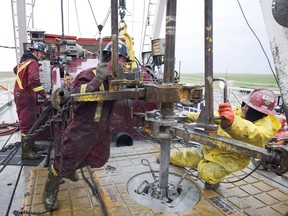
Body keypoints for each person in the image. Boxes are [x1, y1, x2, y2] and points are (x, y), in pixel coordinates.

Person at [42, 41, 130, 210]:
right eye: (123, 60)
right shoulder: (89, 75)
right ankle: (49, 192)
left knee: (100, 158)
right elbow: (74, 94)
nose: (125, 65)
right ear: (112, 57)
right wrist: (97, 80)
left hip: (102, 129)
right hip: (82, 128)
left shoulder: (113, 80)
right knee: (63, 161)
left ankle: (71, 168)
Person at [163, 88, 281, 190]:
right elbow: (212, 116)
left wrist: (232, 123)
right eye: (244, 104)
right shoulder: (238, 113)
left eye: (249, 108)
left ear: (261, 113)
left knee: (206, 172)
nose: (244, 108)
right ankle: (201, 164)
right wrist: (182, 115)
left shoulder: (266, 128)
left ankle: (213, 179)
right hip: (209, 150)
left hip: (229, 158)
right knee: (172, 157)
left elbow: (252, 133)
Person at [13, 42, 50, 160]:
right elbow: (33, 82)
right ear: (36, 52)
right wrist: (45, 96)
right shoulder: (33, 62)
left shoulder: (23, 62)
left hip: (21, 94)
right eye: (42, 53)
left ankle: (31, 145)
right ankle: (26, 152)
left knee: (30, 121)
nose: (43, 56)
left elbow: (15, 70)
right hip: (25, 96)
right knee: (27, 124)